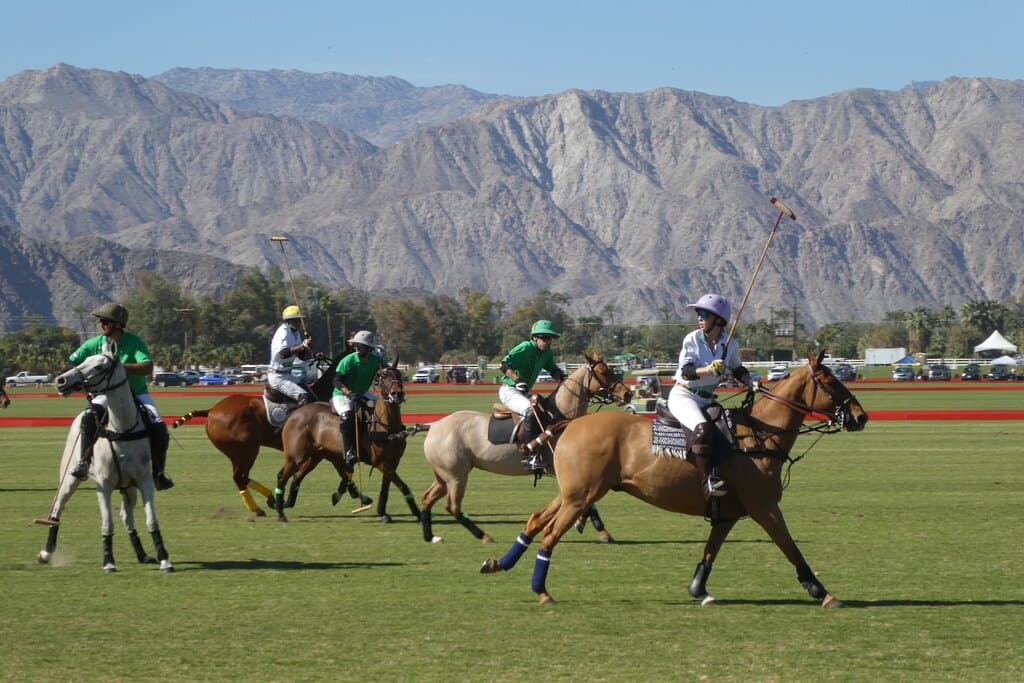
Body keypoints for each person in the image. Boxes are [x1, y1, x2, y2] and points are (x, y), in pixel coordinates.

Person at [67, 302, 175, 490]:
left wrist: (118, 368)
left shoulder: (134, 342)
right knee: (87, 419)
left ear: (118, 324)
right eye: (101, 321)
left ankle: (159, 473)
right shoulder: (95, 344)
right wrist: (78, 380)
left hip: (137, 394)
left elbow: (147, 367)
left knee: (159, 427)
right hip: (104, 395)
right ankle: (83, 463)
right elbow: (73, 362)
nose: (101, 324)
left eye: (105, 321)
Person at [667, 293, 754, 499]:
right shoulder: (692, 339)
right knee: (704, 429)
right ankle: (707, 482)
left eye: (704, 314)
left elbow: (737, 369)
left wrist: (750, 380)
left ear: (718, 320)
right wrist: (708, 370)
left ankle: (726, 474)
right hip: (684, 395)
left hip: (707, 399)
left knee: (727, 429)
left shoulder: (730, 344)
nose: (699, 317)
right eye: (699, 313)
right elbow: (687, 370)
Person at [498, 320, 568, 473]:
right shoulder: (525, 347)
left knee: (547, 411)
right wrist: (517, 380)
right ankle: (528, 455)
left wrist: (563, 377)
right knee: (532, 411)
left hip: (524, 392)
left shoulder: (547, 353)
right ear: (535, 337)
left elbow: (553, 370)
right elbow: (503, 364)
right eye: (543, 337)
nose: (547, 341)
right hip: (510, 390)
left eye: (550, 338)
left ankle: (543, 452)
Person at [331, 331, 388, 467]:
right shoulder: (349, 360)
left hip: (362, 392)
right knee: (348, 415)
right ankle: (349, 451)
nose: (356, 347)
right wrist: (349, 393)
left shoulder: (376, 359)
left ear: (369, 349)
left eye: (360, 346)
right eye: (356, 345)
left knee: (382, 407)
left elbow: (387, 371)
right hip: (342, 395)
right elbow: (337, 381)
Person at [267, 305, 316, 405]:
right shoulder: (283, 333)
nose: (300, 323)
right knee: (304, 397)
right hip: (278, 377)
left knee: (312, 394)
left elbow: (301, 356)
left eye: (300, 320)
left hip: (289, 374)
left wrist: (311, 353)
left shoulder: (296, 333)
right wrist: (303, 345)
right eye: (297, 320)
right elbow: (283, 354)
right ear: (289, 321)